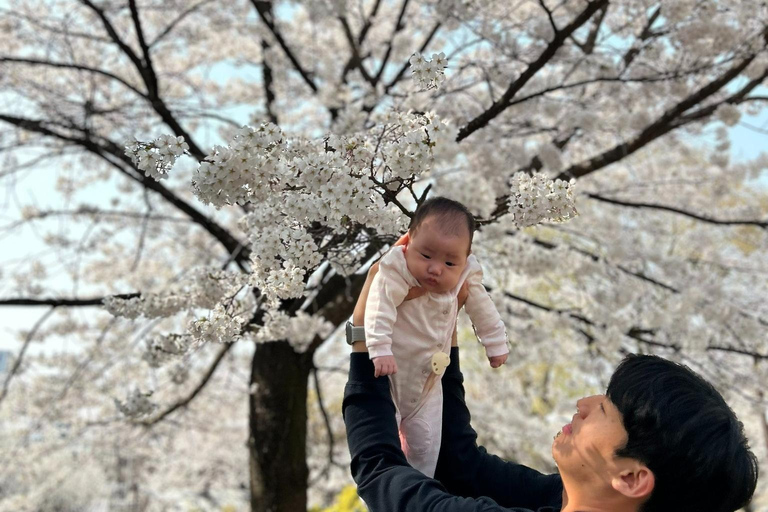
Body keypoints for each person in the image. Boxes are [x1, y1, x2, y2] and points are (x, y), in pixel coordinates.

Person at [343, 257, 759, 511]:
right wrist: (440, 334)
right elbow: (458, 464)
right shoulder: (558, 497)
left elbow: (381, 473)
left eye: (606, 409)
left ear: (631, 478)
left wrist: (366, 338)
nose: (584, 403)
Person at [363, 197, 509, 477]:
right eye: (426, 255)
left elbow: (484, 310)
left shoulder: (467, 275)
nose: (436, 269)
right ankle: (391, 487)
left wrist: (496, 343)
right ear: (408, 244)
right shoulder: (396, 268)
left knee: (426, 445)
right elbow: (378, 305)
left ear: (465, 260)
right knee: (384, 442)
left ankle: (419, 485)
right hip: (390, 375)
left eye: (450, 262)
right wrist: (379, 347)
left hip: (429, 384)